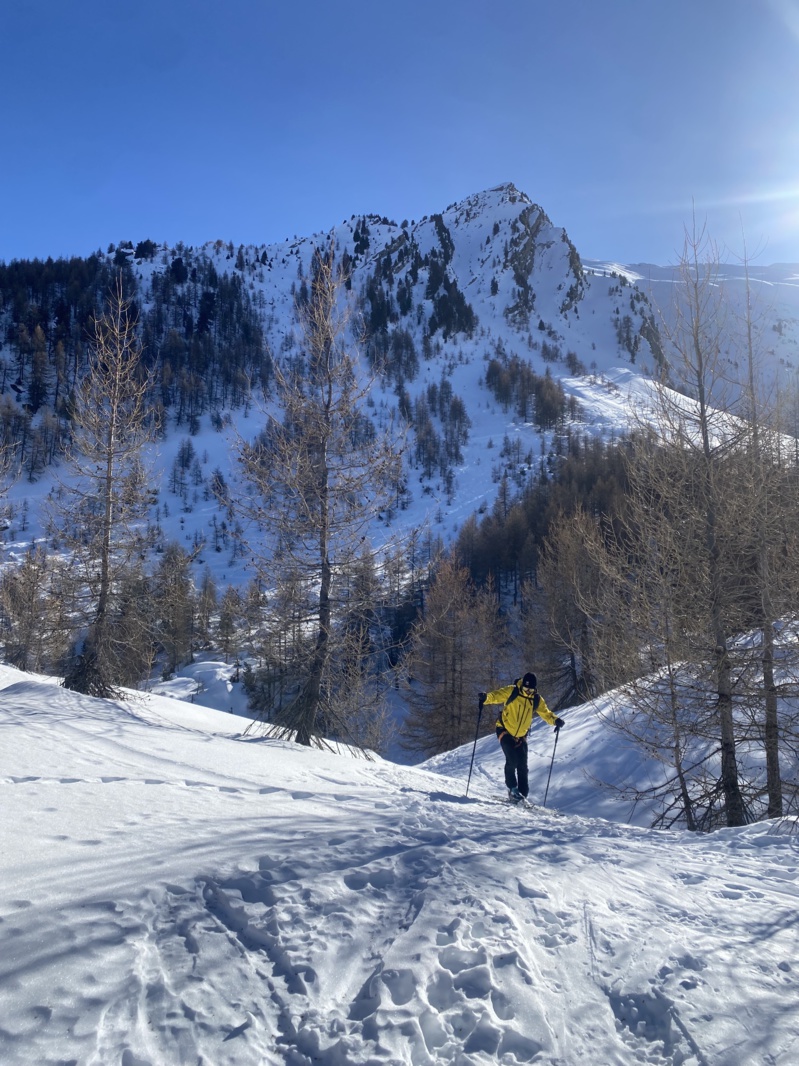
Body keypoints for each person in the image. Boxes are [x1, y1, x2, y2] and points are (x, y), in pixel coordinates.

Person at [478, 672, 564, 803]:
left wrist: (555, 720)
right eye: (526, 689)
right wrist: (486, 698)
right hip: (504, 729)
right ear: (522, 685)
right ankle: (512, 789)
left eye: (531, 690)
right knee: (512, 759)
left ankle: (523, 795)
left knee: (523, 766)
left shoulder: (536, 699)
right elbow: (496, 695)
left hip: (521, 736)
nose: (528, 692)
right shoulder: (512, 691)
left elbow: (546, 713)